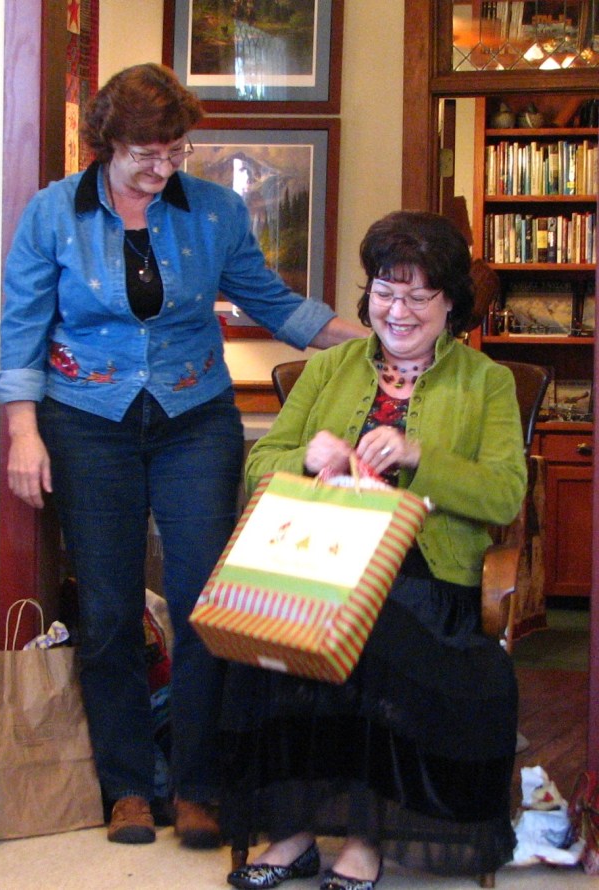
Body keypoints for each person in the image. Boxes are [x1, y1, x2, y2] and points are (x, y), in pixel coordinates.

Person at [0, 63, 365, 848]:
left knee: (205, 600)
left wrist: (377, 339)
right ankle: (129, 788)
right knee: (108, 607)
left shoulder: (216, 210)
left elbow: (274, 303)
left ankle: (200, 787)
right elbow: (22, 328)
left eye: (174, 151)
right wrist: (23, 431)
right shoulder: (53, 213)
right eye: (145, 154)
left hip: (195, 417)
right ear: (106, 142)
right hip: (85, 421)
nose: (162, 168)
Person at [220, 210, 527, 890]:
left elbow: (505, 494)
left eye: (419, 295)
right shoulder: (329, 369)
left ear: (451, 303)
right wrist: (308, 457)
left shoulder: (486, 382)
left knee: (378, 626)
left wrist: (418, 455)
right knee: (273, 635)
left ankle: (365, 837)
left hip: (428, 577)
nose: (399, 310)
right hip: (323, 562)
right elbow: (261, 463)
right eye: (387, 291)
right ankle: (294, 832)